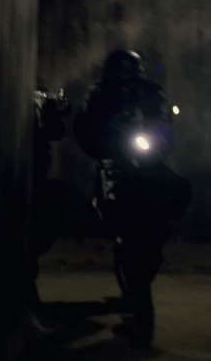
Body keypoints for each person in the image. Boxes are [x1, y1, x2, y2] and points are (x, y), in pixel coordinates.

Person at [74, 49, 192, 349]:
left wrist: (156, 139)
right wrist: (107, 146)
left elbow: (165, 124)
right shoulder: (99, 94)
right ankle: (140, 317)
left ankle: (135, 292)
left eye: (130, 75)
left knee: (156, 230)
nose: (126, 82)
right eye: (121, 75)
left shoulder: (150, 92)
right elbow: (85, 130)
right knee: (127, 240)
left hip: (147, 167)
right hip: (115, 169)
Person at [24, 86, 69, 325]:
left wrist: (52, 108)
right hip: (28, 176)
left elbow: (56, 131)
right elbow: (55, 131)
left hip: (35, 175)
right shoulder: (31, 100)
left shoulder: (38, 100)